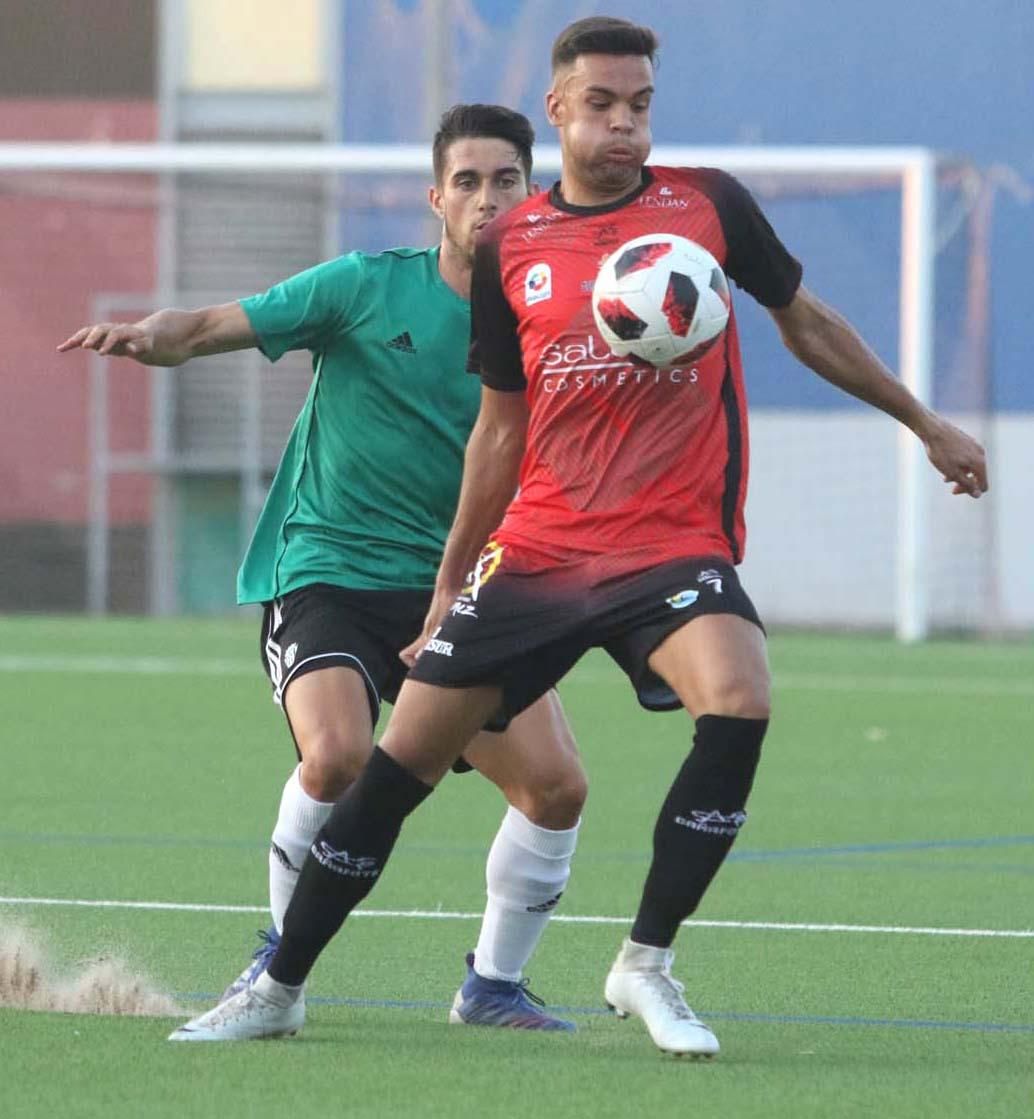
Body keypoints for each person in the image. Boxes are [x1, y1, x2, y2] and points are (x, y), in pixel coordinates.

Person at [168, 17, 988, 1054]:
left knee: (736, 700)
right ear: (557, 109)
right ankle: (278, 984)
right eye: (601, 105)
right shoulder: (515, 245)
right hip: (543, 549)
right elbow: (498, 431)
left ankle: (645, 963)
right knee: (394, 767)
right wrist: (447, 591)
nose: (623, 126)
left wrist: (923, 421)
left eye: (638, 106)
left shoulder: (706, 207)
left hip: (667, 544)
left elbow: (806, 321)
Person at [59, 104, 589, 1035]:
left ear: (532, 192)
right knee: (338, 754)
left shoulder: (554, 325)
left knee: (555, 787)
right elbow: (220, 322)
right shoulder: (363, 287)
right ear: (436, 198)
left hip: (460, 590)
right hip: (329, 568)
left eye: (505, 179)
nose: (486, 198)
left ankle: (492, 986)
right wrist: (156, 334)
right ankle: (278, 963)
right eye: (466, 181)